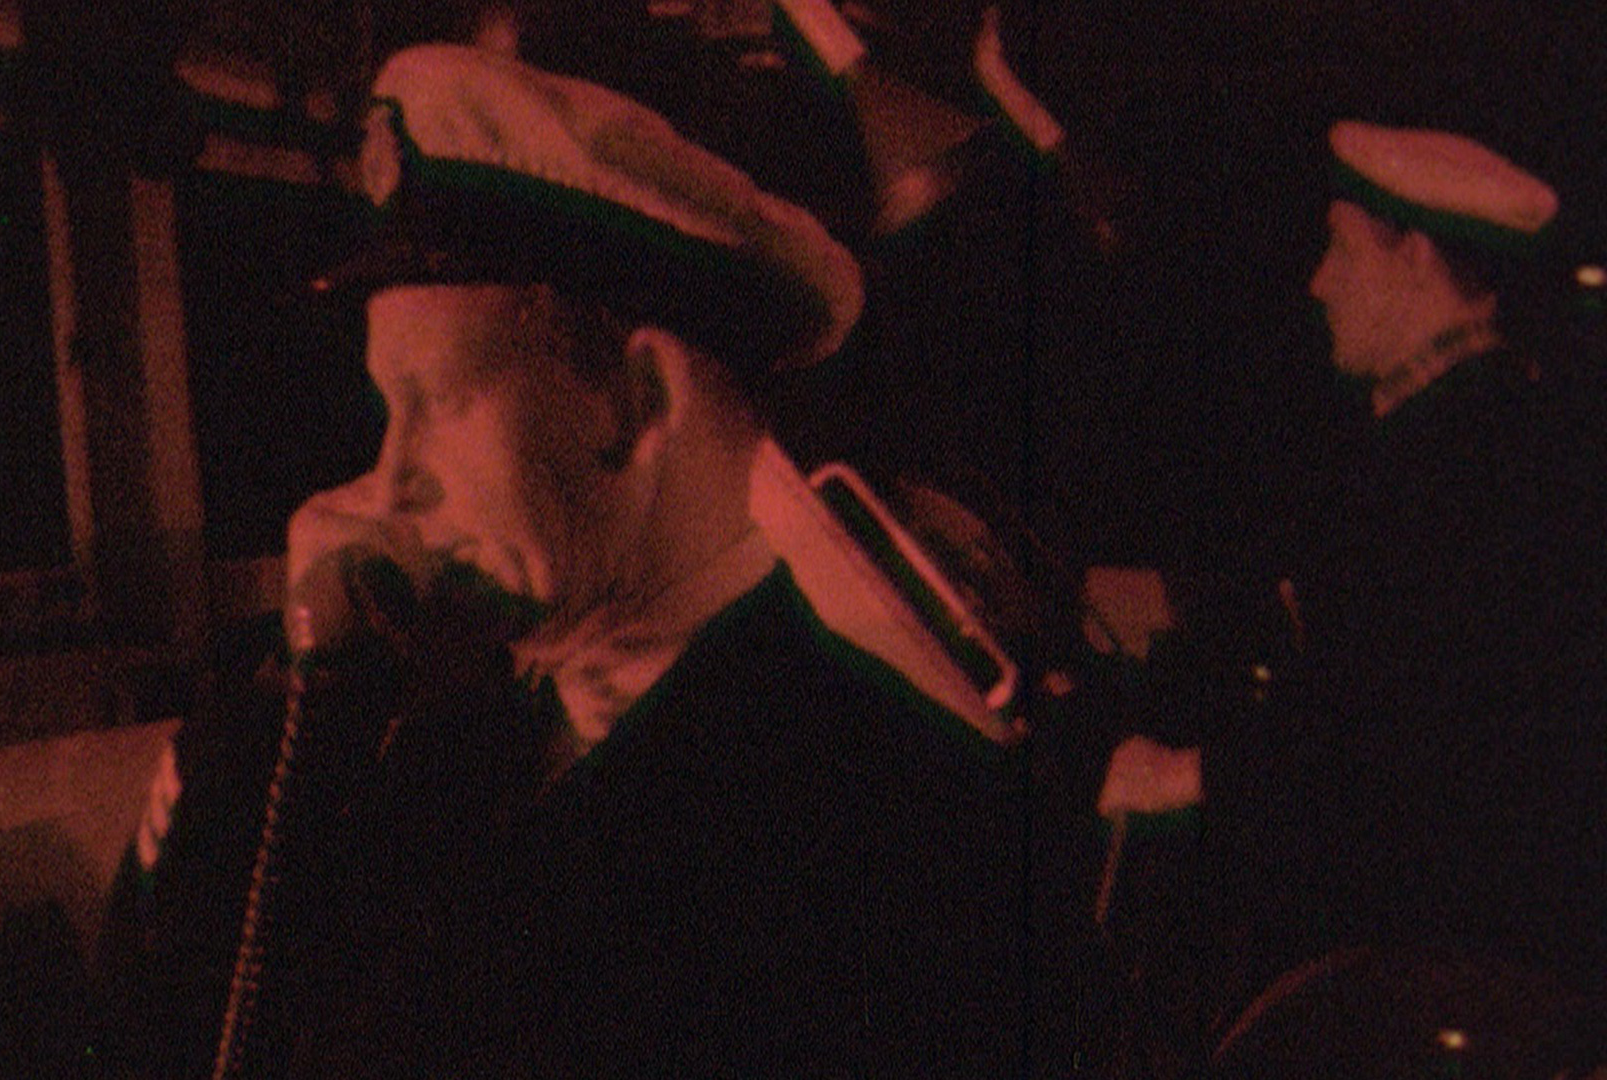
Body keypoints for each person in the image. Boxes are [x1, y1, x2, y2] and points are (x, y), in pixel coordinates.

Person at [95, 42, 1029, 1080]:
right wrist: (289, 712)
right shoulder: (446, 714)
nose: (390, 481)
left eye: (437, 404)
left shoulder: (865, 814)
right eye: (389, 413)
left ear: (637, 402)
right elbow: (156, 1024)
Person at [1092, 119, 1607, 1023]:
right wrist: (1193, 602)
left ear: (1413, 258)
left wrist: (1193, 775)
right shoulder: (1471, 427)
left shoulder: (1459, 457)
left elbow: (1402, 732)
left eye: (1339, 248)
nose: (1317, 282)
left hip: (1430, 962)